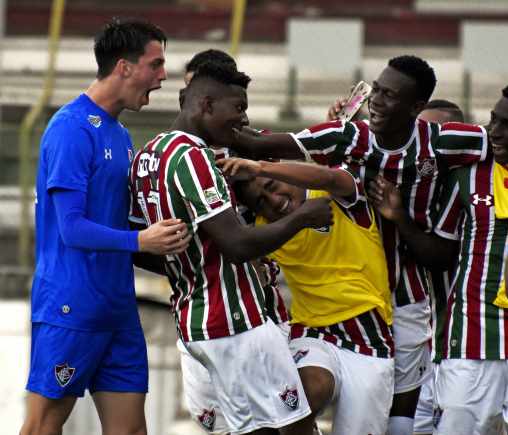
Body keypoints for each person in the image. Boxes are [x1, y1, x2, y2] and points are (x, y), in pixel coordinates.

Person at [224, 55, 489, 435]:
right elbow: (280, 146)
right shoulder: (347, 141)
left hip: (395, 309)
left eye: (389, 95)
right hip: (320, 328)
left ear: (415, 108)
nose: (377, 101)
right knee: (300, 398)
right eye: (376, 91)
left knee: (400, 418)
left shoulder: (438, 151)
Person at [129, 62, 332, 434]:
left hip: (197, 324)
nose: (243, 119)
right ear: (206, 105)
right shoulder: (194, 158)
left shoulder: (146, 158)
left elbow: (140, 247)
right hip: (237, 321)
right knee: (297, 428)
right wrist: (304, 217)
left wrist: (192, 261)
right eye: (237, 108)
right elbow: (237, 245)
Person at [20, 19, 192, 435]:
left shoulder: (119, 132)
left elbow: (121, 225)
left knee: (131, 431)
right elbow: (72, 229)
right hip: (71, 307)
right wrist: (143, 239)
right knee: (43, 426)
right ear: (124, 67)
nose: (163, 76)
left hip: (117, 309)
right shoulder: (71, 129)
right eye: (156, 64)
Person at [369, 82, 508, 435]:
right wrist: (400, 219)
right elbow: (441, 254)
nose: (495, 132)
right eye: (493, 120)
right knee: (458, 425)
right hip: (471, 331)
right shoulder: (469, 175)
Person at [221, 156, 394, 435]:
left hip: (369, 338)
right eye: (261, 201)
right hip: (313, 332)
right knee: (303, 396)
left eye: (272, 186)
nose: (274, 201)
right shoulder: (268, 228)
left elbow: (327, 176)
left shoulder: (334, 195)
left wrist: (259, 166)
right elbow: (235, 244)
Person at [173, 50, 291, 434]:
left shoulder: (247, 146)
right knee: (224, 426)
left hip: (258, 312)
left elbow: (286, 188)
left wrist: (254, 182)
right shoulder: (175, 158)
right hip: (203, 316)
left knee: (281, 419)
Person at [412, 99, 466, 435]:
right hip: (414, 348)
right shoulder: (408, 189)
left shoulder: (476, 190)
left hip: (462, 348)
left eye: (433, 137)